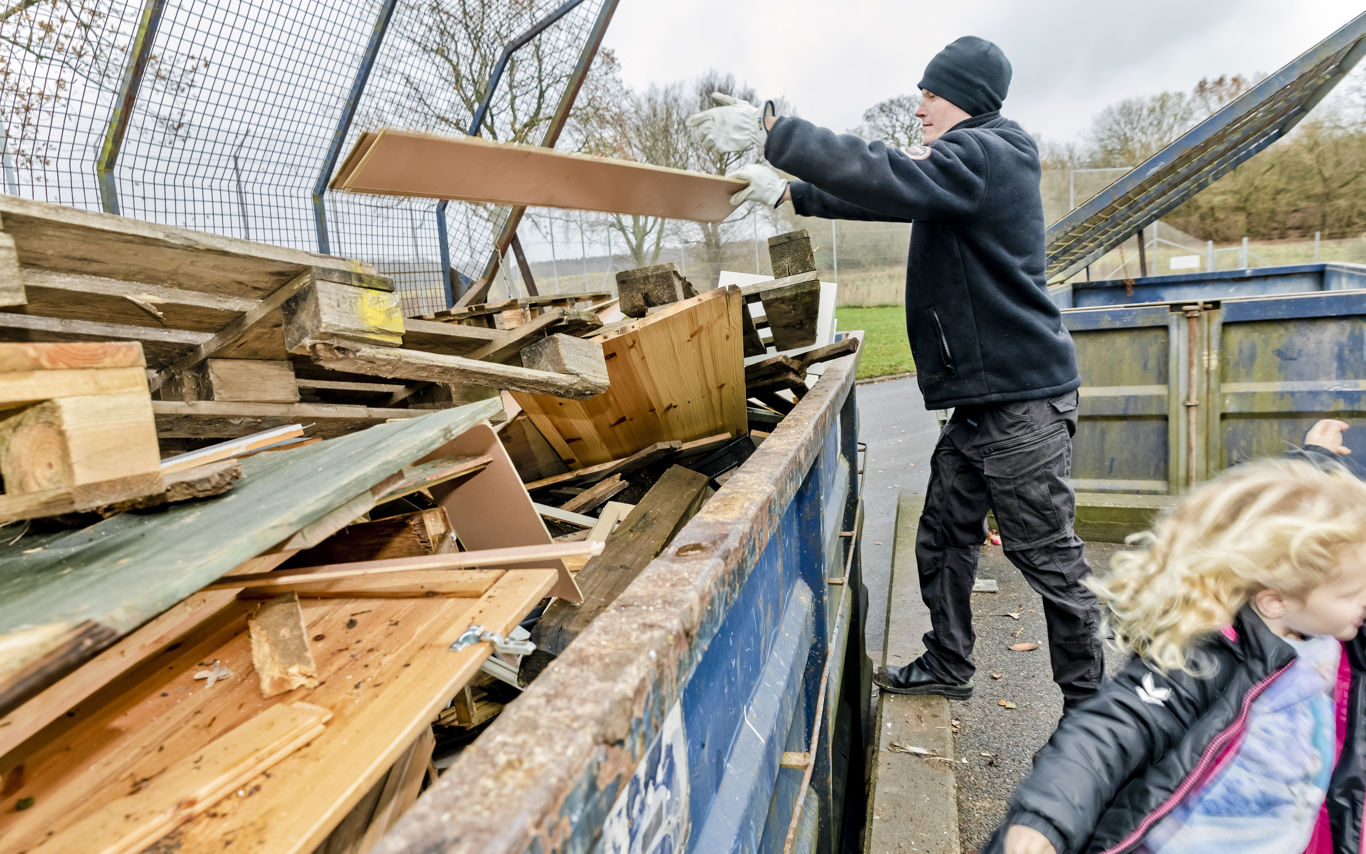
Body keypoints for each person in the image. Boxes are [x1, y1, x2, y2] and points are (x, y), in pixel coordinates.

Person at [686, 36, 1104, 706]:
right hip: (989, 402)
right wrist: (793, 193)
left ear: (965, 95)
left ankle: (1092, 712)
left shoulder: (988, 153)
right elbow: (890, 190)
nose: (918, 108)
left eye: (930, 94)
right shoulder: (965, 164)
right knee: (942, 534)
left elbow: (883, 171)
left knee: (1048, 559)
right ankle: (948, 662)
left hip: (1020, 405)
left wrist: (776, 132)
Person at [985, 457, 1366, 854]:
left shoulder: (1339, 645)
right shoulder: (1208, 655)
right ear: (1274, 601)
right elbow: (1111, 730)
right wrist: (1046, 817)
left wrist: (1318, 456)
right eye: (1351, 595)